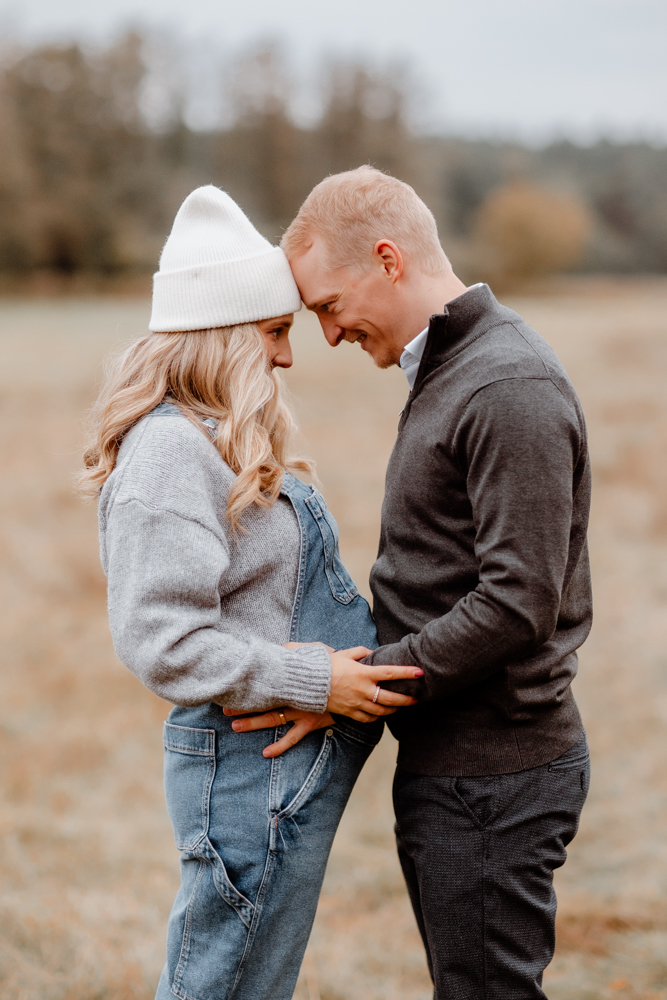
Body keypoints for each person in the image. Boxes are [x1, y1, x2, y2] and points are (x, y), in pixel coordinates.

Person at [241, 166, 592, 999]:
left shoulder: (506, 385)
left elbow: (517, 602)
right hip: (457, 767)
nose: (325, 335)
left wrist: (352, 685)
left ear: (389, 260)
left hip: (494, 775)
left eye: (327, 306)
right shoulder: (451, 369)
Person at [80, 185, 421, 1000]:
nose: (287, 356)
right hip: (246, 773)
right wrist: (318, 681)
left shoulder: (208, 439)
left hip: (272, 777)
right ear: (225, 333)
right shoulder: (168, 452)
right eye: (274, 331)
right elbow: (162, 638)